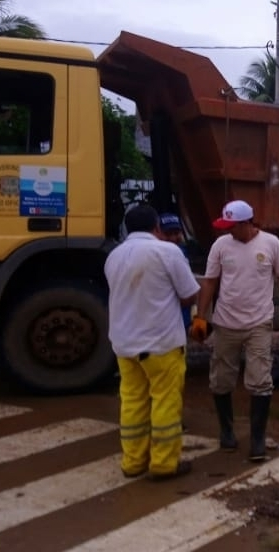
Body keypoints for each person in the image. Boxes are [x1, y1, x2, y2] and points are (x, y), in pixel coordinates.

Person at [189, 200, 279, 461]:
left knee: (261, 381)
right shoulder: (220, 245)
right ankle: (227, 431)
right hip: (226, 323)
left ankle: (257, 439)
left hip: (258, 324)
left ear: (246, 223)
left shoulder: (271, 244)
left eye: (231, 226)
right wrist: (201, 317)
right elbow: (210, 282)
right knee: (221, 380)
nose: (227, 231)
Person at [104, 204, 200, 480]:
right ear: (156, 227)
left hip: (124, 344)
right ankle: (164, 464)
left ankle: (133, 462)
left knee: (132, 402)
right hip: (161, 344)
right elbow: (189, 295)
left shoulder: (114, 256)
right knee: (165, 402)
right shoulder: (167, 251)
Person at [158, 212, 193, 329]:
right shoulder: (154, 256)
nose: (173, 238)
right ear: (157, 233)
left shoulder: (182, 251)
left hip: (183, 317)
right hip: (165, 321)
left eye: (176, 233)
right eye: (168, 234)